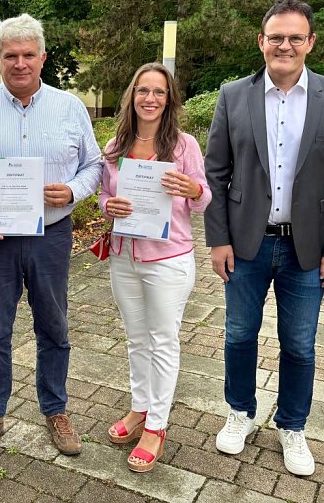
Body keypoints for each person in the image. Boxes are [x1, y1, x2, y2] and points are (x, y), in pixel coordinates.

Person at [204, 0, 324, 476]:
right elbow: (216, 173)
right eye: (276, 37)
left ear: (310, 43)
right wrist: (218, 239)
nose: (285, 45)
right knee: (238, 335)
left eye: (295, 37)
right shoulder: (233, 96)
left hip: (306, 248)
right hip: (246, 243)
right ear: (261, 41)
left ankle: (292, 425)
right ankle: (240, 412)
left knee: (299, 343)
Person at [0, 13, 103, 460]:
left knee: (54, 326)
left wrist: (72, 189)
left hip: (51, 235)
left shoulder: (69, 107)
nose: (19, 63)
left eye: (28, 54)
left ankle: (55, 408)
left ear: (42, 57)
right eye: (10, 55)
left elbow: (95, 166)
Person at [99, 62, 211, 472]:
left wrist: (194, 189)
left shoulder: (184, 146)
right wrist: (107, 206)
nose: (150, 98)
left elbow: (203, 200)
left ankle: (157, 427)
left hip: (168, 260)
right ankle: (139, 408)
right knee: (135, 340)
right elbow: (103, 197)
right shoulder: (114, 147)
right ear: (132, 96)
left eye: (159, 92)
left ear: (169, 100)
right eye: (143, 90)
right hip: (124, 257)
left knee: (163, 341)